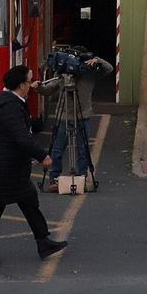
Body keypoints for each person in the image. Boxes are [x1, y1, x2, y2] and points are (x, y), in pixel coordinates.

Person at [0, 65, 66, 265]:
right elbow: (21, 136)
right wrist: (41, 155)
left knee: (29, 201)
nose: (32, 84)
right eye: (30, 81)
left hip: (10, 166)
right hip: (5, 168)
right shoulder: (10, 106)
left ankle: (43, 242)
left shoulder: (9, 102)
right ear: (22, 85)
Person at [41, 47, 112, 189]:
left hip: (82, 115)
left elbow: (108, 69)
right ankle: (54, 179)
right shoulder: (63, 73)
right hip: (63, 116)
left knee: (82, 149)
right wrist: (37, 87)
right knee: (57, 149)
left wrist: (96, 60)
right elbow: (48, 90)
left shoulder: (89, 74)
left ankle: (81, 178)